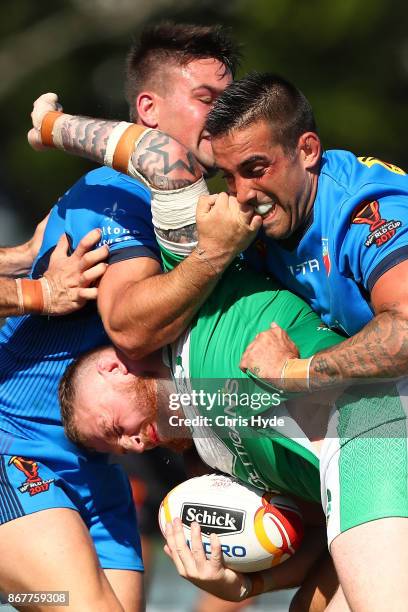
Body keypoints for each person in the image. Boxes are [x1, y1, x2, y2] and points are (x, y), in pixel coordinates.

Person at [31, 82, 408, 610]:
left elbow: (159, 157)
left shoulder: (352, 215)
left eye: (115, 428)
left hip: (377, 424)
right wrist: (242, 585)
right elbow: (320, 535)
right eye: (228, 177)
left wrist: (51, 127)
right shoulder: (212, 457)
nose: (241, 193)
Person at [0, 22, 241, 611]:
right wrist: (36, 294)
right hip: (16, 445)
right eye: (207, 100)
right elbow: (133, 327)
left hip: (99, 464)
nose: (222, 118)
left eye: (229, 103)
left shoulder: (214, 214)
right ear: (148, 109)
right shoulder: (110, 192)